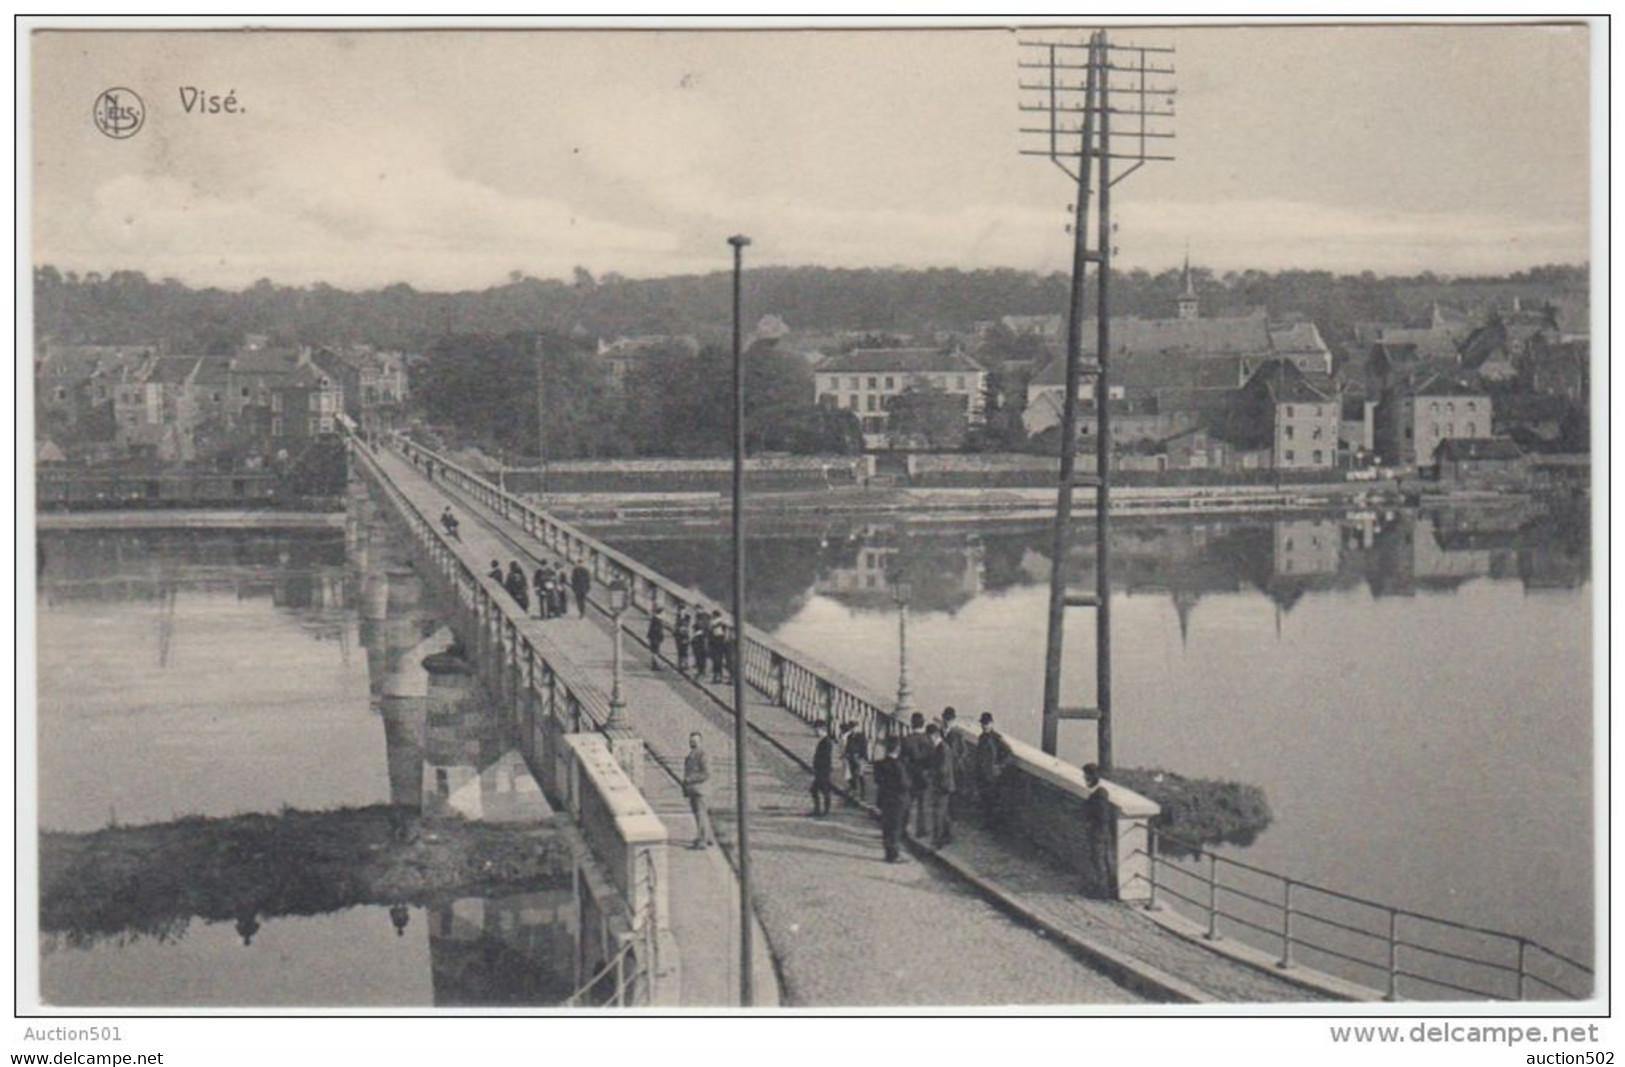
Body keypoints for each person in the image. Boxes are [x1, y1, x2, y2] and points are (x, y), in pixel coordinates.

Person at [1081, 762, 1118, 898]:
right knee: (1105, 860)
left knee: (1099, 860)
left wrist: (1091, 824)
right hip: (1102, 831)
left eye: (1086, 776)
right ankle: (1108, 889)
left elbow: (1102, 815)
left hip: (1098, 832)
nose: (1085, 779)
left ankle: (1102, 891)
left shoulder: (1100, 794)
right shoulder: (1099, 792)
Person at [873, 738, 910, 863]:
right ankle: (894, 855)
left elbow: (877, 781)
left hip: (884, 798)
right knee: (896, 827)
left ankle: (888, 852)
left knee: (887, 827)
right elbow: (904, 784)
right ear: (898, 749)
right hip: (898, 800)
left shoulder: (879, 764)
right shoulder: (899, 765)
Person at [974, 712, 1013, 830]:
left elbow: (1009, 754)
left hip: (993, 775)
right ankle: (987, 823)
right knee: (985, 799)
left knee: (993, 800)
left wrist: (999, 766)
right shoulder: (981, 737)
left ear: (991, 724)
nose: (984, 726)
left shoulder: (997, 738)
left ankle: (993, 825)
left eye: (986, 723)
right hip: (983, 774)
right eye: (982, 723)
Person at [898, 712, 932, 841]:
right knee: (922, 805)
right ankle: (921, 830)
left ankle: (902, 829)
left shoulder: (907, 740)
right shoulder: (928, 739)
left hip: (910, 776)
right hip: (923, 776)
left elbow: (901, 760)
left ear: (912, 724)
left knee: (907, 804)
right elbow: (932, 759)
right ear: (923, 724)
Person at [683, 732, 716, 849]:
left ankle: (702, 841)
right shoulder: (691, 755)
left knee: (701, 815)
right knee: (701, 815)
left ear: (700, 742)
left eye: (695, 741)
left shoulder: (703, 755)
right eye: (691, 741)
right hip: (694, 790)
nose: (692, 743)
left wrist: (690, 779)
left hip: (700, 790)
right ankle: (708, 838)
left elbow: (706, 773)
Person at [925, 724, 956, 847]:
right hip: (945, 785)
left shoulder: (942, 749)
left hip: (943, 785)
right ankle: (948, 835)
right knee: (943, 812)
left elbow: (942, 769)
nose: (928, 740)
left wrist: (930, 773)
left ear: (934, 736)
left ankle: (937, 840)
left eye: (929, 737)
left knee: (938, 812)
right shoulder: (941, 747)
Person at [939, 707, 971, 823]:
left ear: (953, 720)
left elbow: (964, 751)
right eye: (946, 719)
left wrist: (958, 761)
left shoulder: (958, 733)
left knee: (954, 794)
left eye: (950, 719)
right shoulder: (940, 732)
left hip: (955, 769)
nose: (947, 721)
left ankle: (953, 817)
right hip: (944, 768)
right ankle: (946, 816)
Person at [810, 722, 837, 816]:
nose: (816, 732)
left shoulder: (826, 742)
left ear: (822, 730)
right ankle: (820, 810)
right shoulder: (824, 741)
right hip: (822, 770)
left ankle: (824, 810)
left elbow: (824, 757)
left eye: (817, 730)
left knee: (821, 790)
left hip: (823, 770)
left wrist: (819, 768)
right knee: (817, 790)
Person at [841, 721, 869, 802]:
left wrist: (863, 757)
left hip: (859, 757)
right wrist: (846, 754)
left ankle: (863, 794)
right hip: (851, 758)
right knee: (853, 774)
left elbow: (864, 747)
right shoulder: (850, 736)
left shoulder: (861, 736)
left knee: (860, 775)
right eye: (852, 728)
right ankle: (854, 791)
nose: (853, 729)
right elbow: (848, 746)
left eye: (854, 727)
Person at [646, 604, 667, 670]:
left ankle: (655, 664)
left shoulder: (656, 619)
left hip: (654, 638)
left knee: (655, 651)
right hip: (655, 638)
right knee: (655, 652)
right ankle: (656, 665)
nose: (665, 614)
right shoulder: (657, 620)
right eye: (664, 613)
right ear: (661, 613)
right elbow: (657, 630)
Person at [692, 609, 711, 679]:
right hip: (699, 643)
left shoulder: (704, 627)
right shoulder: (699, 625)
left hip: (701, 643)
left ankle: (701, 672)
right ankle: (701, 671)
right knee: (699, 658)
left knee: (701, 658)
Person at [710, 617, 730, 684]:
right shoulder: (720, 636)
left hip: (718, 646)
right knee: (717, 662)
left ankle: (718, 677)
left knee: (718, 661)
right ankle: (718, 676)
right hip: (718, 645)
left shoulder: (720, 636)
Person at [673, 606, 692, 673]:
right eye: (680, 610)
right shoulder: (678, 617)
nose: (681, 611)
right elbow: (676, 626)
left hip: (684, 636)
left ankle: (685, 664)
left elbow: (688, 627)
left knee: (685, 651)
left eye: (682, 610)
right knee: (680, 651)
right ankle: (680, 664)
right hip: (678, 636)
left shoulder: (687, 617)